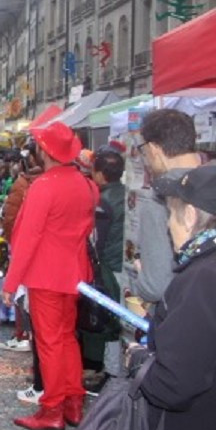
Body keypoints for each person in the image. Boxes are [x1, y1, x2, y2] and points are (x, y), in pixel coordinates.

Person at [1, 122, 96, 430]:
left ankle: (52, 407)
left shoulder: (45, 186)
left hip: (46, 274)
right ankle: (73, 401)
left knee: (49, 342)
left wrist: (11, 281)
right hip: (75, 273)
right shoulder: (87, 185)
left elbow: (27, 238)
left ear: (45, 151)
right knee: (67, 338)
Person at [134, 164, 216, 430]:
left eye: (171, 214)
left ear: (191, 215)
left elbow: (176, 382)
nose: (168, 225)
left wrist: (140, 364)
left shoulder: (202, 278)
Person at [131, 109, 203, 304]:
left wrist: (140, 277)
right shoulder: (209, 183)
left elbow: (156, 286)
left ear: (154, 149)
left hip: (179, 318)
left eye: (143, 149)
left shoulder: (158, 198)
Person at [88, 149, 126, 385]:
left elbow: (96, 241)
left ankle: (112, 373)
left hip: (109, 266)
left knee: (110, 320)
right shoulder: (126, 194)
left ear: (100, 173)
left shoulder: (103, 202)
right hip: (124, 263)